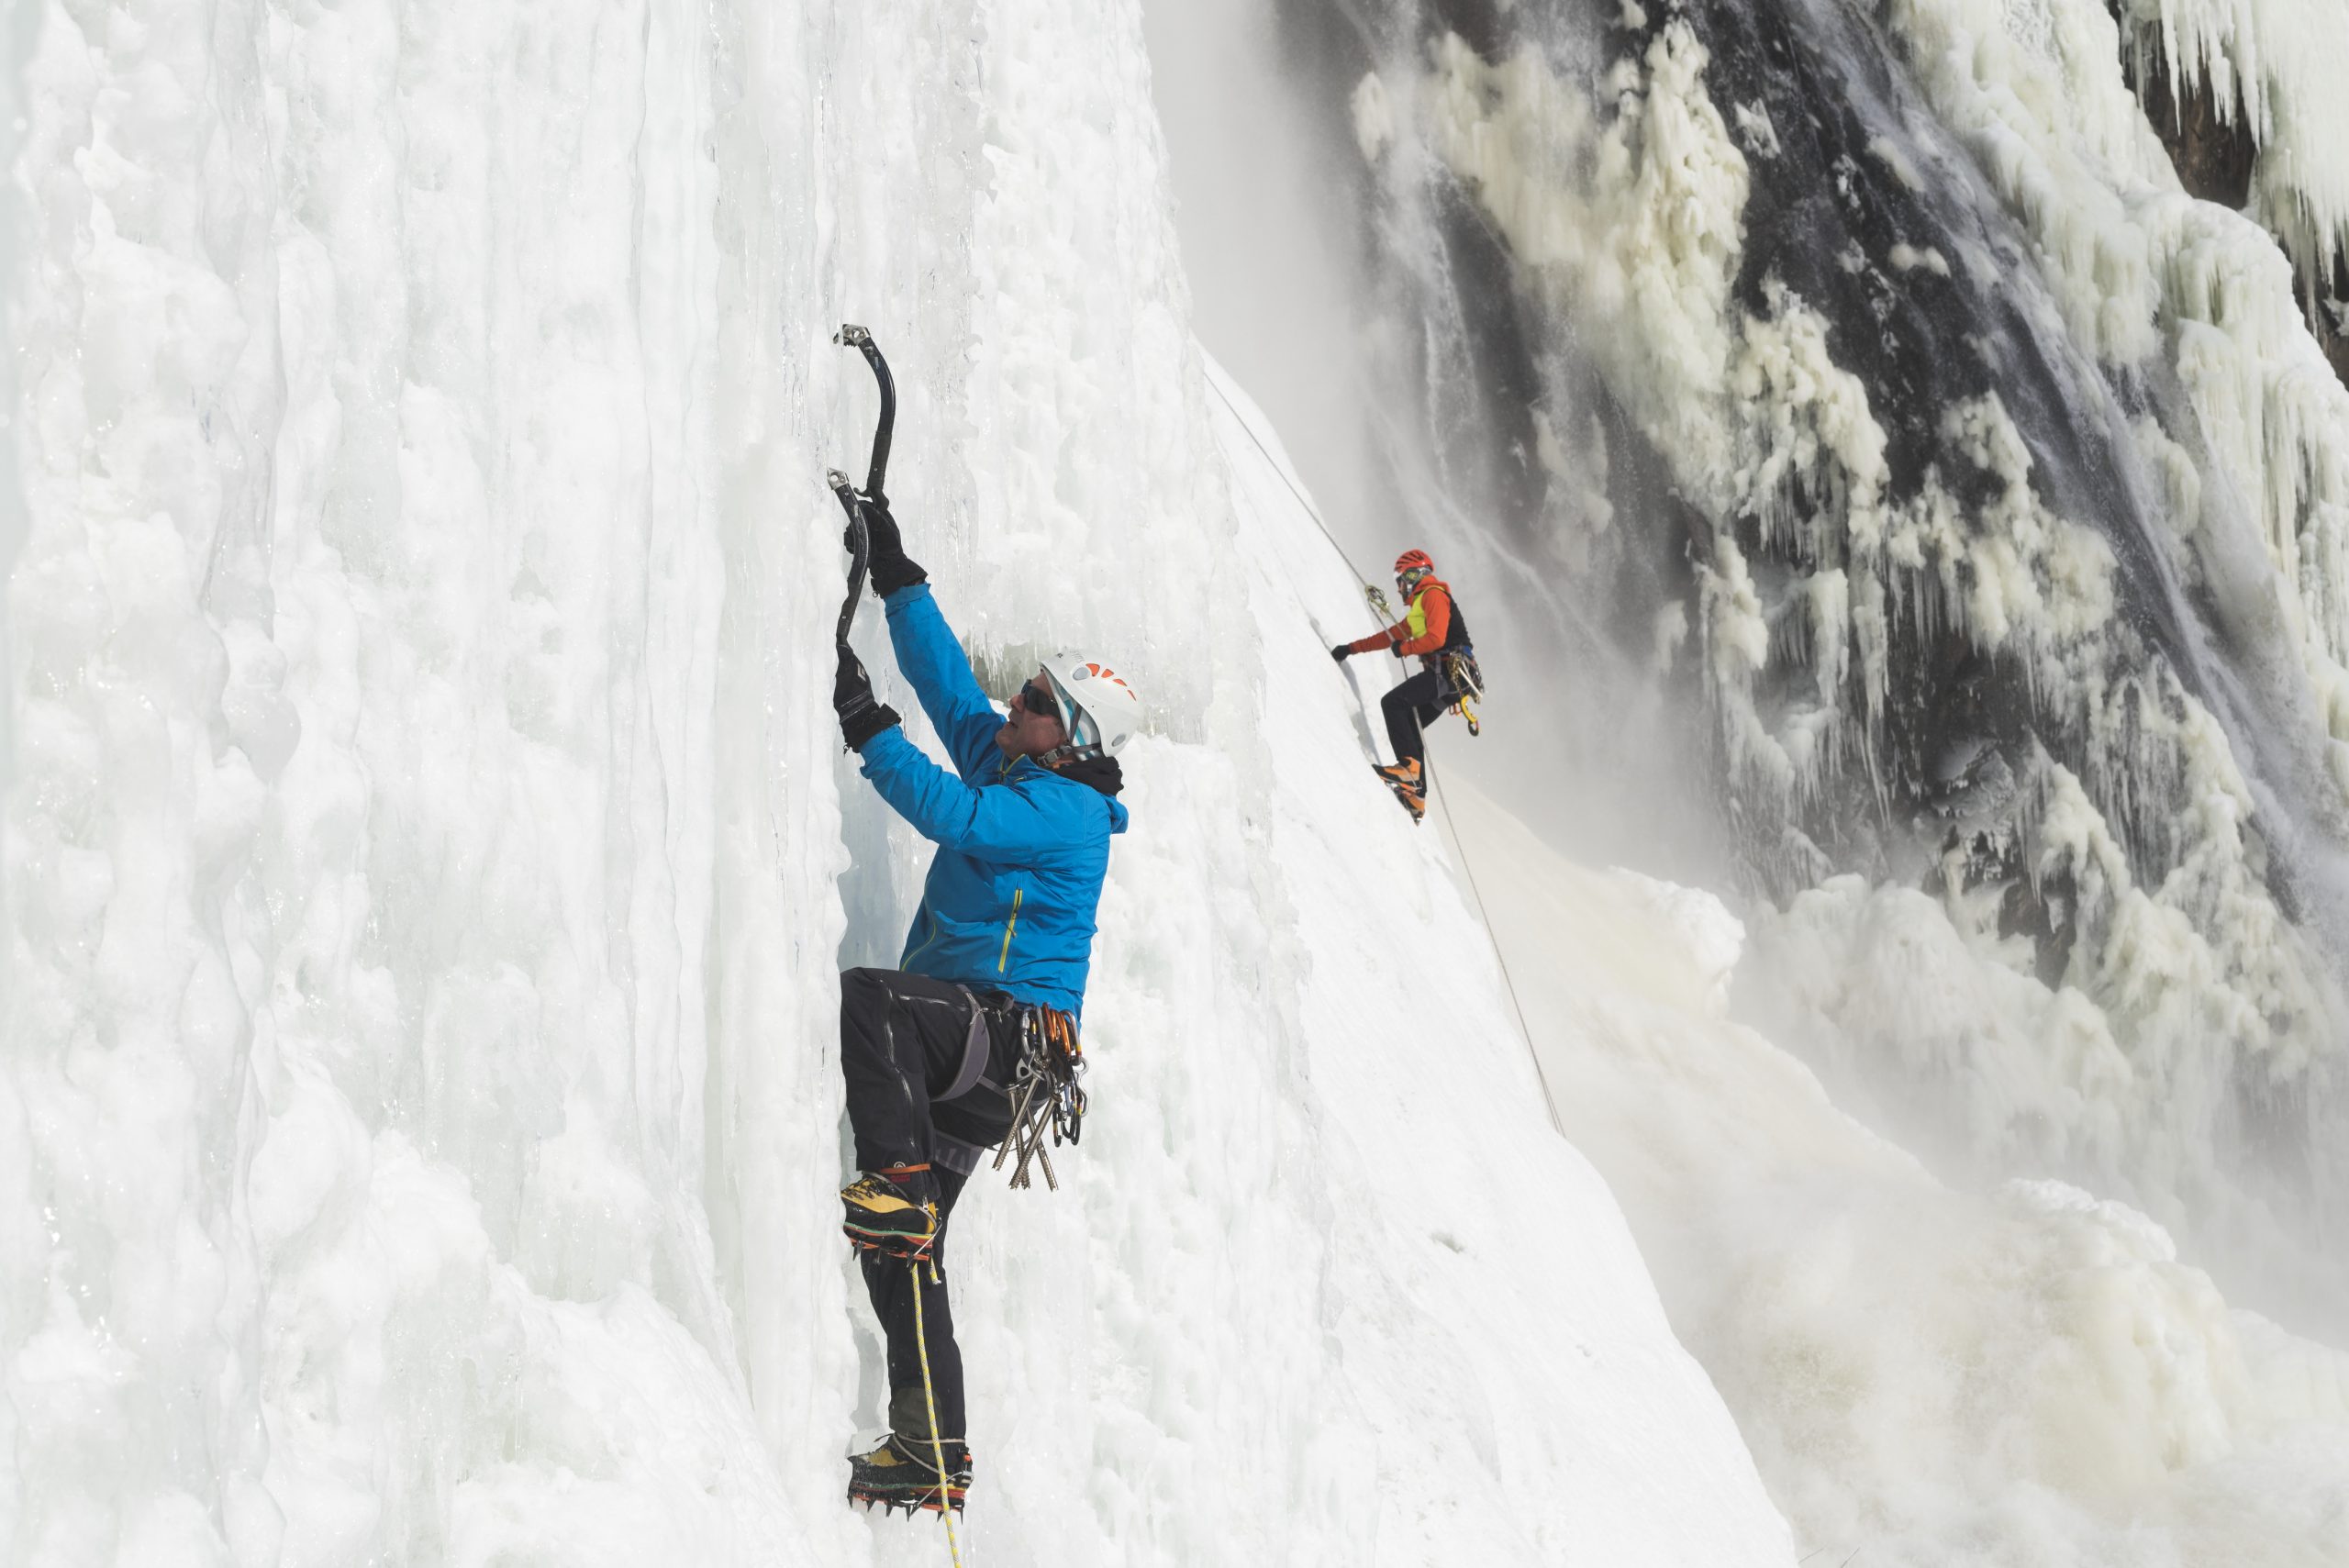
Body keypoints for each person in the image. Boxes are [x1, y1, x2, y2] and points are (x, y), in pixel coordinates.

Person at [829, 492, 1139, 1517]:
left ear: (1070, 733)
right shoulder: (1027, 769)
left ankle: (900, 1182)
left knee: (872, 1001)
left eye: (1038, 699)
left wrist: (866, 728)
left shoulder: (1064, 807)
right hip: (987, 1068)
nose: (1018, 700)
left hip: (998, 1040)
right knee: (903, 1250)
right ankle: (932, 1445)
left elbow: (950, 808)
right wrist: (900, 574)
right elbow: (954, 693)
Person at [1330, 549, 1476, 823]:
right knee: (1411, 722)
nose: (1398, 588)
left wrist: (1406, 649)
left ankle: (1408, 772)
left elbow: (1434, 638)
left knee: (1393, 703)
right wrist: (1350, 648)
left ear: (1413, 575)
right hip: (1452, 680)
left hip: (1447, 672)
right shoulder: (1422, 606)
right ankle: (1416, 796)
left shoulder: (1433, 595)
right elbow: (1390, 637)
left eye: (1400, 579)